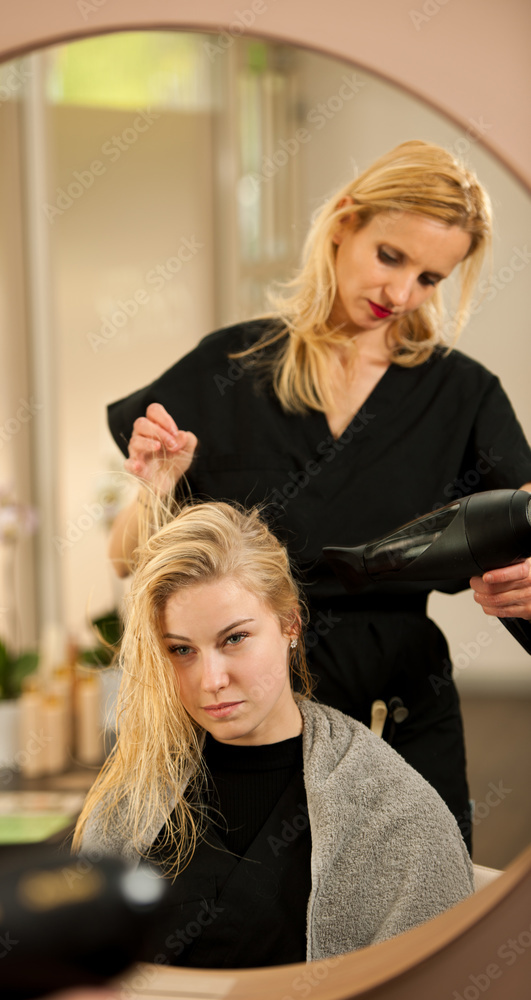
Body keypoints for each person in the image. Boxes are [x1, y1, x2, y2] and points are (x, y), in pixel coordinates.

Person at [106, 140, 531, 852]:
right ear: (343, 223)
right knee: (249, 923)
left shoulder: (461, 394)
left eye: (429, 278)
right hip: (245, 702)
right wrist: (157, 488)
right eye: (389, 256)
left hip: (398, 701)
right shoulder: (228, 367)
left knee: (416, 908)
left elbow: (520, 518)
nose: (400, 295)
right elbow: (127, 560)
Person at [75, 501, 473, 968]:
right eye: (182, 650)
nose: (211, 679)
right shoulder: (134, 799)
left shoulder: (393, 812)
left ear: (290, 625)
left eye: (234, 639)